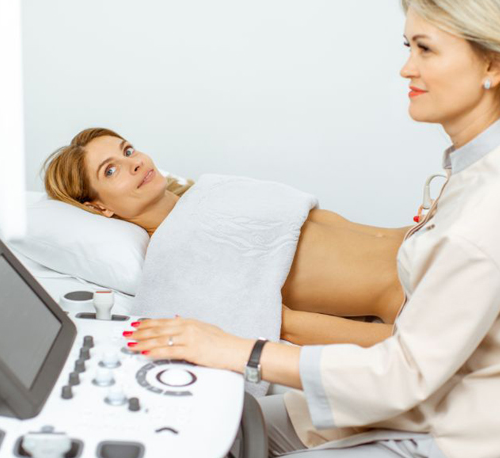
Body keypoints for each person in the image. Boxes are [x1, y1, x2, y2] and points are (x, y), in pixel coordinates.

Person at [127, 0, 500, 458]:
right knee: (238, 424)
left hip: (476, 453)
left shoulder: (495, 205)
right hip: (453, 395)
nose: (406, 68)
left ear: (494, 65)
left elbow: (400, 375)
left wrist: (243, 350)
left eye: (425, 50)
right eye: (408, 46)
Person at [44, 127, 414, 347]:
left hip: (429, 242)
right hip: (416, 295)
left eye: (128, 150)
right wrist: (405, 346)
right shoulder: (173, 258)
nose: (134, 162)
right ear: (97, 208)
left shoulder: (211, 191)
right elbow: (280, 325)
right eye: (112, 170)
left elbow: (323, 221)